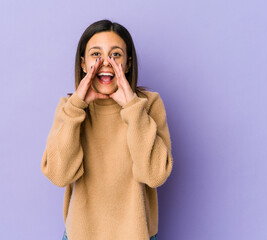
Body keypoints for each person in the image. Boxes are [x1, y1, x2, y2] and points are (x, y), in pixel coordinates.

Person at [41, 19, 173, 240]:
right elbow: (59, 175)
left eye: (115, 55)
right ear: (83, 64)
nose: (106, 62)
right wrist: (76, 106)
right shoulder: (68, 108)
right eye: (96, 54)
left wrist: (131, 107)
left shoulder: (148, 104)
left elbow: (155, 176)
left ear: (128, 64)